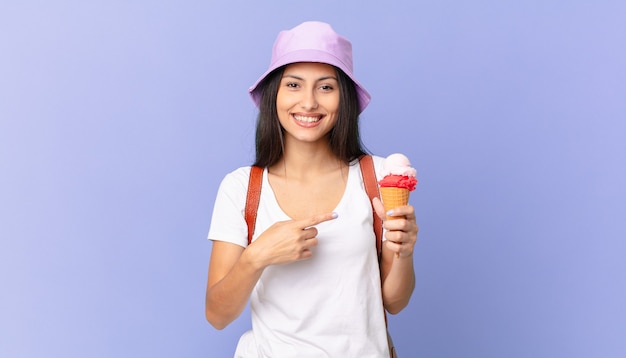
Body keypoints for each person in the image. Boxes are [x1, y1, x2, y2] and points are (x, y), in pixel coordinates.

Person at [205, 21, 418, 357]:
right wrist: (257, 256)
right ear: (275, 94)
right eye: (293, 84)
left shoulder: (377, 177)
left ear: (343, 98)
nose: (308, 103)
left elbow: (394, 302)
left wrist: (403, 250)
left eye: (325, 87)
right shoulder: (241, 188)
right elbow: (217, 315)